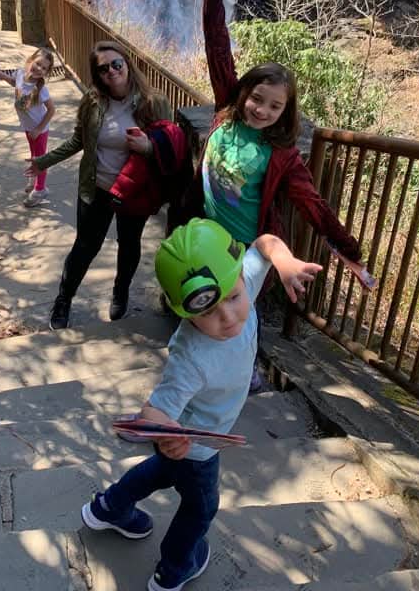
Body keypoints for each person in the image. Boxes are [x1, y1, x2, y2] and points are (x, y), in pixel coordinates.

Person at [80, 217, 320, 591]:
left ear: (238, 279)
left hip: (190, 447)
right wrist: (167, 433)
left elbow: (266, 244)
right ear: (184, 312)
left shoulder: (241, 279)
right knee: (201, 508)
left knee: (161, 472)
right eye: (208, 312)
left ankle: (108, 507)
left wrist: (285, 263)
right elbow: (154, 411)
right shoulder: (191, 357)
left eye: (234, 299)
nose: (228, 317)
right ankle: (175, 568)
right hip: (197, 446)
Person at [196, 0, 365, 390]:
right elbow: (218, 48)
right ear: (244, 93)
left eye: (275, 106)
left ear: (285, 111)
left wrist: (349, 251)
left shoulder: (282, 155)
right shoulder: (225, 111)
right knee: (208, 305)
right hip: (207, 233)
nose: (262, 110)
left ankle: (243, 371)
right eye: (257, 99)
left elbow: (313, 205)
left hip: (250, 249)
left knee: (240, 312)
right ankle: (206, 368)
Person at [27, 40, 172, 329]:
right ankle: (64, 299)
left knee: (129, 244)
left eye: (116, 64)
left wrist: (148, 148)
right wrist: (44, 161)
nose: (111, 71)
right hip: (96, 189)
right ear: (97, 75)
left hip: (134, 191)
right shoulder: (92, 102)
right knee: (85, 246)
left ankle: (120, 292)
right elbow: (78, 140)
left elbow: (168, 143)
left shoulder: (154, 102)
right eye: (103, 69)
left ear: (127, 64)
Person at [0, 48, 55, 207]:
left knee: (40, 159)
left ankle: (40, 189)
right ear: (30, 60)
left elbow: (52, 110)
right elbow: (14, 83)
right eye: (38, 64)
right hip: (28, 126)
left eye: (44, 68)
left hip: (39, 129)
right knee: (34, 155)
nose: (39, 69)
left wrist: (39, 129)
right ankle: (33, 178)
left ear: (46, 72)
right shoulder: (19, 74)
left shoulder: (40, 89)